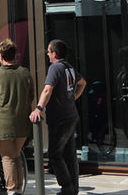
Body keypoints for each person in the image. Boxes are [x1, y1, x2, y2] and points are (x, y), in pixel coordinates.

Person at [30, 39, 86, 195]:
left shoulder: (55, 68)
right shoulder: (69, 67)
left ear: (54, 53)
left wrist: (38, 108)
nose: (47, 54)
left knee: (54, 155)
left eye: (48, 51)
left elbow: (47, 90)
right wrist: (73, 97)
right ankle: (73, 188)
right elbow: (82, 83)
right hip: (71, 115)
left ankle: (67, 188)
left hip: (60, 118)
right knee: (69, 155)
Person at [0, 39, 33, 195]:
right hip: (22, 121)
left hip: (3, 121)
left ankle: (12, 189)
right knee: (17, 155)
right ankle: (18, 188)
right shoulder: (24, 72)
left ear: (0, 56)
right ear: (14, 55)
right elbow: (31, 95)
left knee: (7, 157)